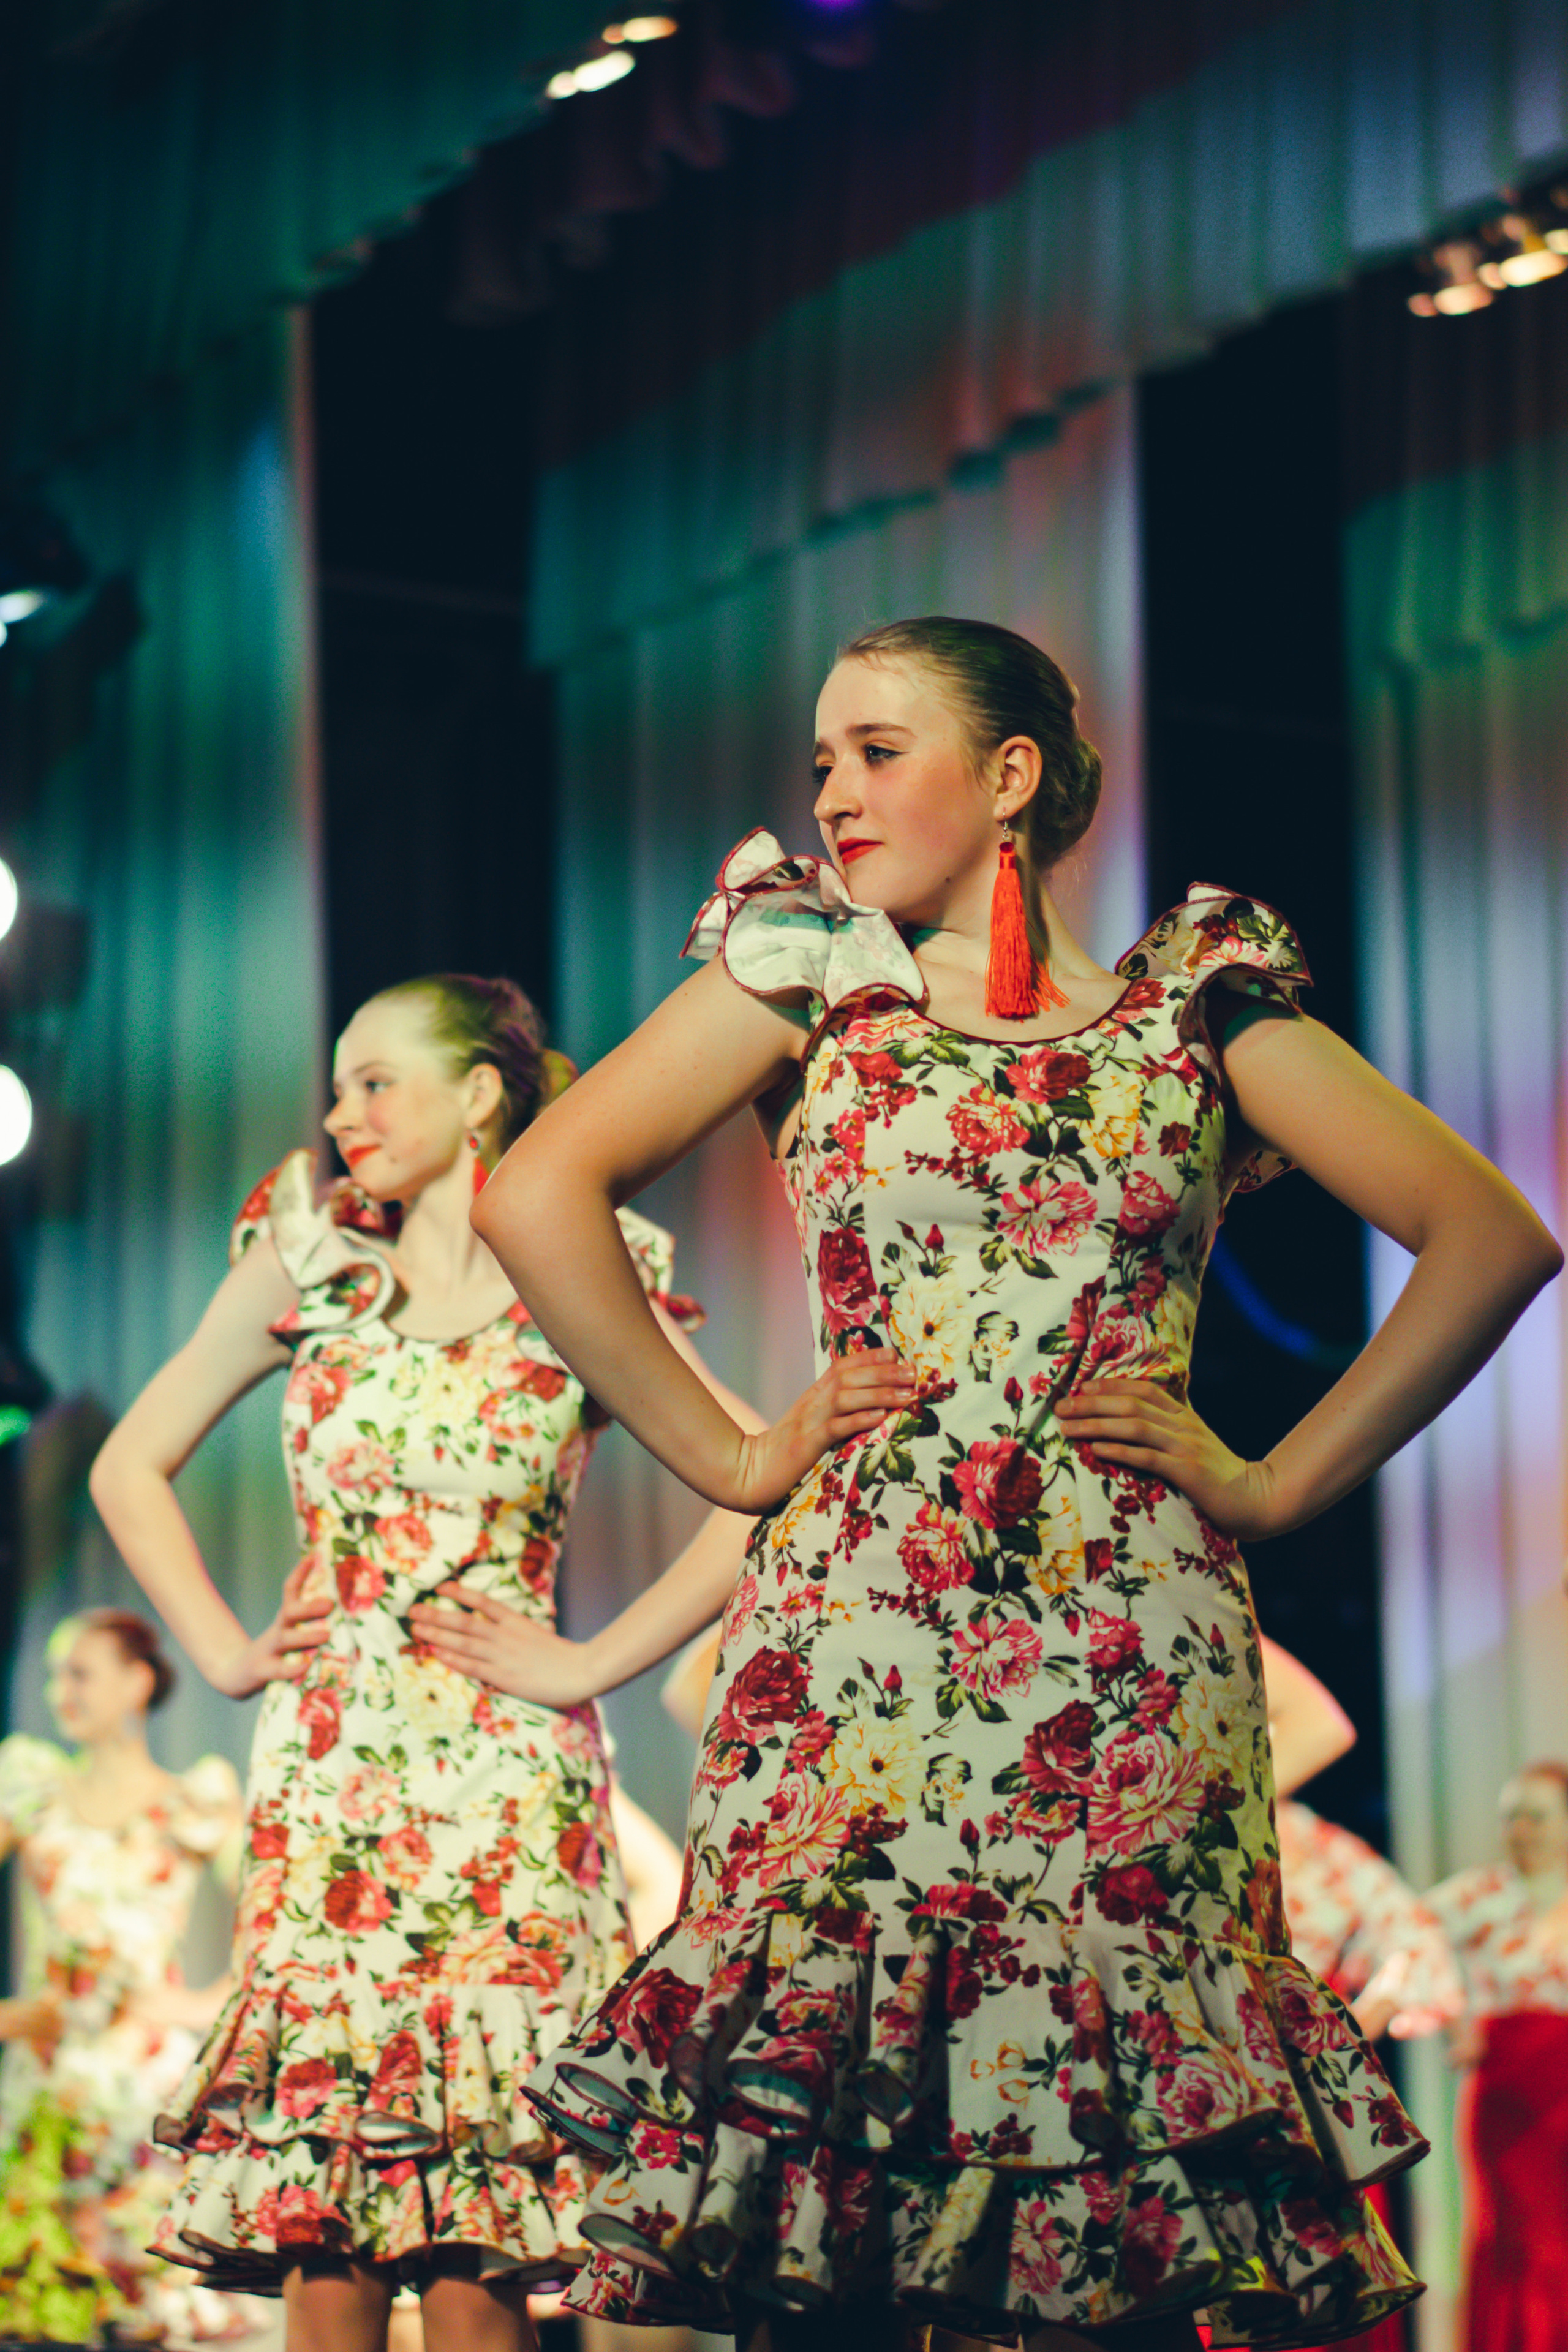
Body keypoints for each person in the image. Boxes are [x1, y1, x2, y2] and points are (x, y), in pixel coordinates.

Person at [413, 616, 1560, 2350]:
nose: (836, 792)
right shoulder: (805, 976)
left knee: (1098, 2207)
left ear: (1009, 777)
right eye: (821, 760)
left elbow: (1492, 1233)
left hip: (1127, 1660)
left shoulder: (1197, 1006)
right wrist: (732, 1450)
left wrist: (1273, 1486)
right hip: (860, 1644)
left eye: (878, 751)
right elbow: (536, 1195)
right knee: (841, 2199)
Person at [88, 974, 760, 2352]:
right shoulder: (310, 1263)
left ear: (479, 1095)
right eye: (335, 1088)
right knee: (324, 2231)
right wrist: (222, 1652)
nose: (341, 1117)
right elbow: (127, 1464)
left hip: (512, 1805)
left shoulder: (586, 1266)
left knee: (479, 2247)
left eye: (374, 1082)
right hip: (331, 1796)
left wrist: (590, 1665)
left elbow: (760, 1485)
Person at [0, 1610, 245, 2346]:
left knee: (149, 2312)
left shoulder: (188, 1802)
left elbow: (279, 1916)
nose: (59, 1692)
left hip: (145, 2091)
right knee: (48, 2310)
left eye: (79, 1672)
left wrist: (202, 2002)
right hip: (50, 2084)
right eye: (52, 1676)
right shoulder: (33, 1791)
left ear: (137, 1681)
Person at [1428, 1760, 1568, 2352]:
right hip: (1503, 2088)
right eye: (1511, 1817)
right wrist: (1455, 2019)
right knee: (1510, 2229)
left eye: (1537, 1816)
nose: (1522, 1830)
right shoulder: (1479, 1892)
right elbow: (1404, 1941)